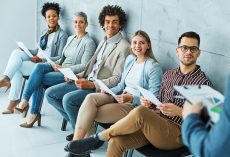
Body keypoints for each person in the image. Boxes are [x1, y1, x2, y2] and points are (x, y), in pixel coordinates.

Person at [64, 31, 213, 157]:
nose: (188, 52)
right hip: (157, 123)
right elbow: (158, 101)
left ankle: (99, 137)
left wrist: (180, 112)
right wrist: (150, 102)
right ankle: (100, 138)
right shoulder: (169, 75)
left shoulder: (203, 83)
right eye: (184, 47)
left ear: (198, 53)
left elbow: (211, 117)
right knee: (117, 141)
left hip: (178, 133)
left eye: (193, 49)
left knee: (140, 111)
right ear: (177, 51)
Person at [45, 5, 130, 134]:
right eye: (107, 22)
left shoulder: (124, 46)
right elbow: (90, 66)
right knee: (50, 94)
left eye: (114, 22)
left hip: (98, 88)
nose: (110, 25)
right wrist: (77, 76)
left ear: (120, 25)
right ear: (103, 23)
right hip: (85, 80)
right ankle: (81, 130)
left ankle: (82, 137)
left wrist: (91, 84)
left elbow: (117, 79)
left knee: (68, 100)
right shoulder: (103, 41)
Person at [71, 30, 163, 142]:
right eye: (134, 42)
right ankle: (78, 144)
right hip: (119, 95)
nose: (137, 46)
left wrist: (132, 98)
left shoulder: (153, 66)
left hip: (133, 106)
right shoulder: (130, 59)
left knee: (91, 112)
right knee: (90, 98)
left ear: (148, 45)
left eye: (141, 43)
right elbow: (120, 85)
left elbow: (154, 97)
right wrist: (109, 91)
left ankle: (79, 146)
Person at [14, 12, 96, 128]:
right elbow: (62, 58)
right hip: (60, 68)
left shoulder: (89, 42)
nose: (78, 24)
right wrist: (55, 64)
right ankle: (27, 104)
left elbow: (84, 66)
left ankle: (29, 108)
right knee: (39, 67)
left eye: (81, 22)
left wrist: (64, 68)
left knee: (38, 78)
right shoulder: (71, 38)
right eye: (76, 22)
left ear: (86, 24)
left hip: (71, 74)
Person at [1, 2, 68, 114]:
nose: (52, 18)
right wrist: (26, 50)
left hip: (44, 65)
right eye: (49, 16)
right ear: (45, 19)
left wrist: (41, 60)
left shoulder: (62, 35)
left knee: (17, 67)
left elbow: (60, 57)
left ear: (58, 17)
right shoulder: (44, 32)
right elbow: (38, 50)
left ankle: (13, 99)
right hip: (36, 59)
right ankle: (6, 78)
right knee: (16, 52)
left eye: (54, 16)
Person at [182, 77, 230, 157]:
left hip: (190, 133)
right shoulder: (168, 74)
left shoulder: (202, 80)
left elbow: (212, 152)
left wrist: (190, 117)